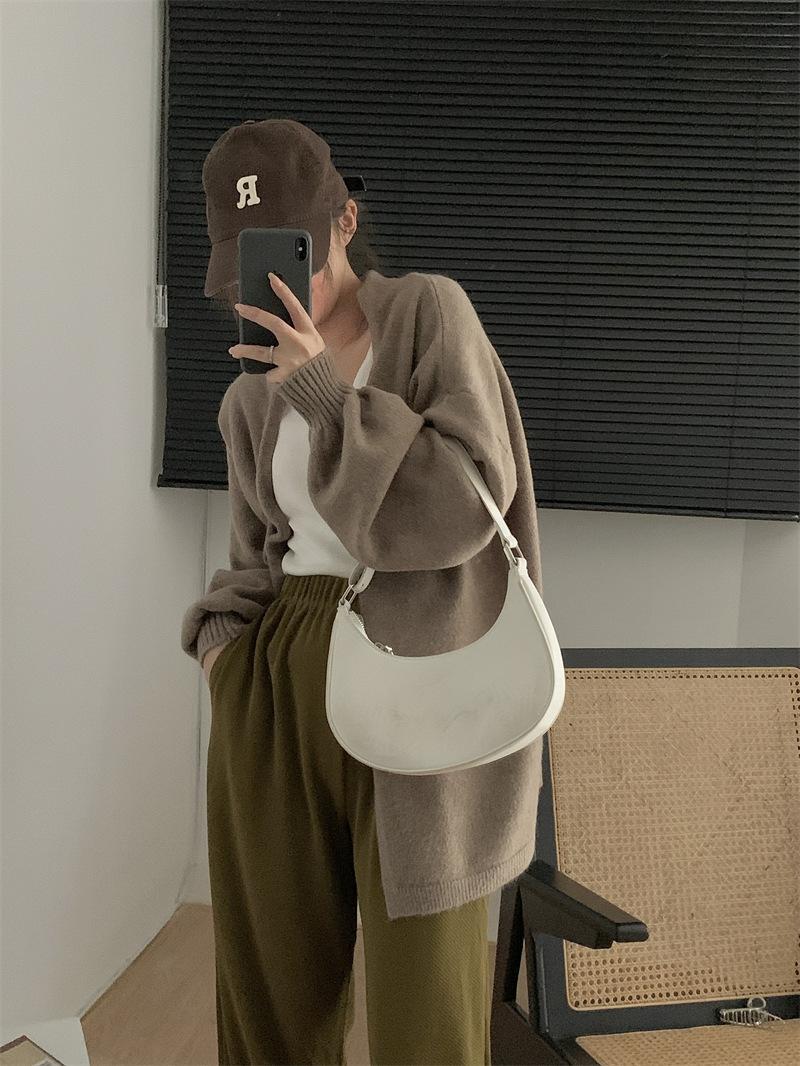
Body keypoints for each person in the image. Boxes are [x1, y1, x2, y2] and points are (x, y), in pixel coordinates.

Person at [181, 117, 545, 1065]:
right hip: (279, 676)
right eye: (246, 259)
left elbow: (462, 503)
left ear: (344, 222)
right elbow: (258, 556)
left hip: (424, 668)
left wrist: (322, 392)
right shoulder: (248, 394)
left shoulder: (427, 314)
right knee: (272, 997)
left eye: (293, 248)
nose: (271, 280)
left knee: (429, 1010)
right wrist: (224, 658)